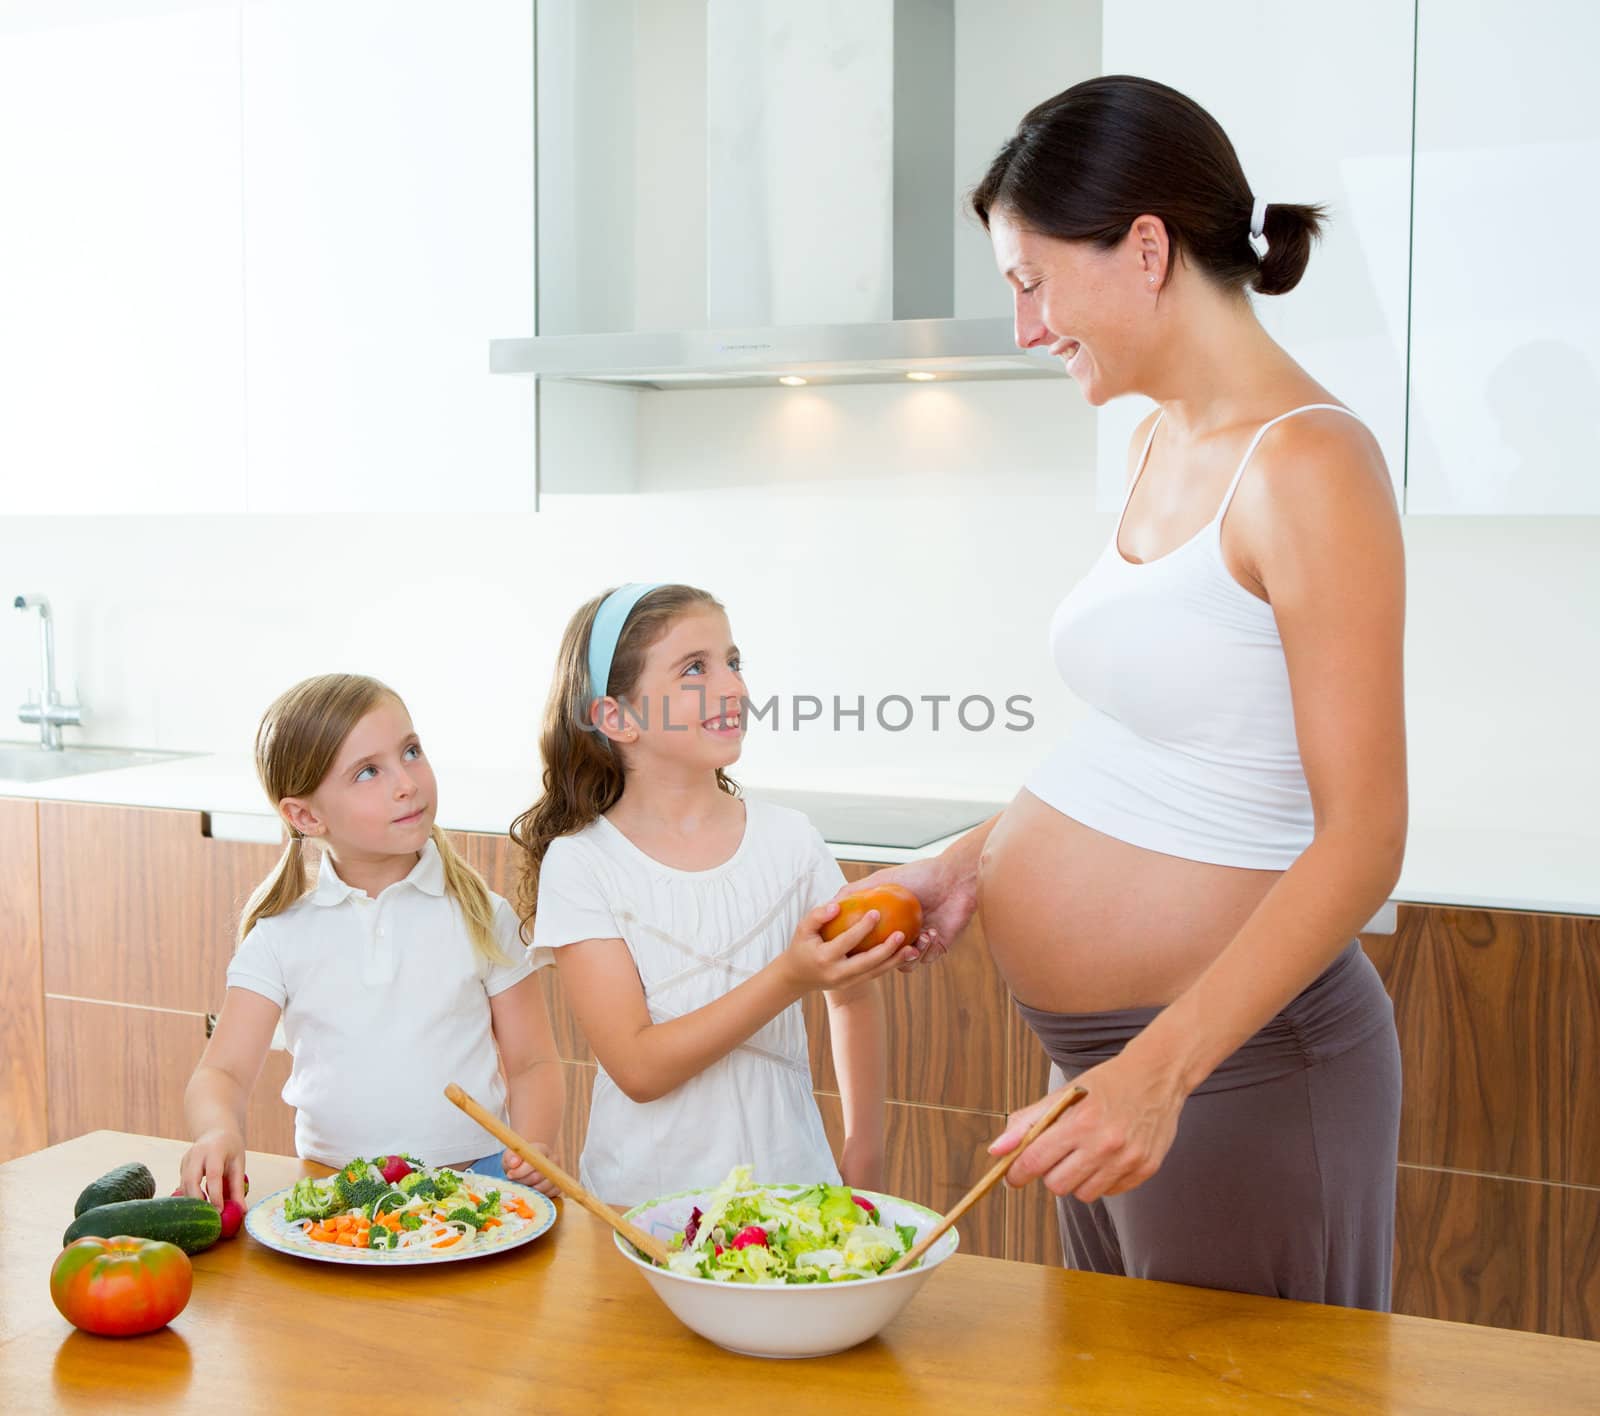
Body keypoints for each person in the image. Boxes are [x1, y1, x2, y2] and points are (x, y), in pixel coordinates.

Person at [855, 76, 1406, 1308]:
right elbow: (1150, 738)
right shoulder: (1160, 438)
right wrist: (970, 858)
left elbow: (1366, 840)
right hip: (1113, 1068)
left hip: (1239, 1064)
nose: (1025, 326)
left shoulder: (1309, 462)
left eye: (1031, 279)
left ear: (1145, 247)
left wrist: (1160, 1072)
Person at [511, 583, 910, 1205]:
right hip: (643, 1208)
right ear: (617, 718)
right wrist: (789, 976)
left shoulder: (790, 840)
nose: (735, 688)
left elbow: (851, 999)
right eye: (695, 668)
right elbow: (639, 1070)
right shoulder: (584, 864)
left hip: (795, 1193)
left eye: (733, 662)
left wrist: (864, 1153)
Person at [180, 673, 563, 1207]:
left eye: (410, 752)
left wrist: (533, 1144)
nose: (406, 782)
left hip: (479, 1192)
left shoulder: (481, 915)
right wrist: (217, 1130)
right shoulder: (281, 935)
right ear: (306, 815)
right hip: (336, 1203)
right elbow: (222, 1072)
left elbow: (533, 1063)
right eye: (367, 772)